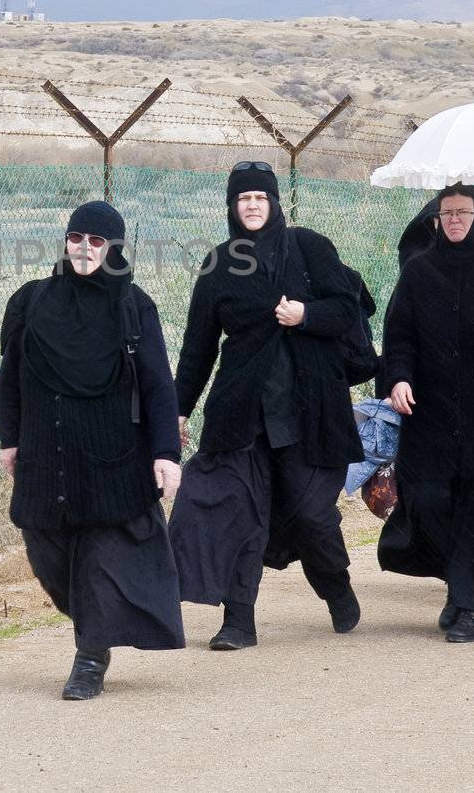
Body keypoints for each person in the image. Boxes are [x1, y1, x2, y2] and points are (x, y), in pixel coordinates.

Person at [168, 161, 363, 649]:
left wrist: (306, 314)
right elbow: (198, 345)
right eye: (243, 199)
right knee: (238, 511)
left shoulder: (310, 248)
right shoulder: (219, 264)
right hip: (242, 413)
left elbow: (346, 309)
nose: (252, 206)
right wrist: (178, 410)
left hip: (309, 412)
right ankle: (238, 623)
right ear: (232, 207)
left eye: (260, 197)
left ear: (275, 202)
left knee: (311, 515)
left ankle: (335, 585)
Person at [0, 200, 184, 700]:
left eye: (97, 241)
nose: (84, 249)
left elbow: (159, 385)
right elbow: (10, 378)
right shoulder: (32, 301)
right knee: (46, 550)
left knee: (100, 555)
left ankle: (90, 657)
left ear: (114, 249)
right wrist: (9, 440)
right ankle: (95, 623)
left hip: (111, 455)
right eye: (76, 238)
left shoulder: (133, 306)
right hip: (46, 450)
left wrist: (166, 453)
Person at [377, 182, 474, 643]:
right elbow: (399, 335)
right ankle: (459, 583)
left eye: (463, 213)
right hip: (431, 411)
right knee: (429, 500)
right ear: (436, 220)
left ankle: (471, 604)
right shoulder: (419, 271)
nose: (454, 221)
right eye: (446, 214)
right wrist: (398, 379)